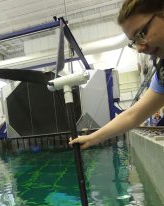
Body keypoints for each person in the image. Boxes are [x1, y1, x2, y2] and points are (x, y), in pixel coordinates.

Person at [69, 0, 164, 150]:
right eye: (134, 41)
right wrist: (92, 138)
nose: (139, 48)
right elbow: (133, 115)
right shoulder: (162, 75)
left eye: (141, 34)